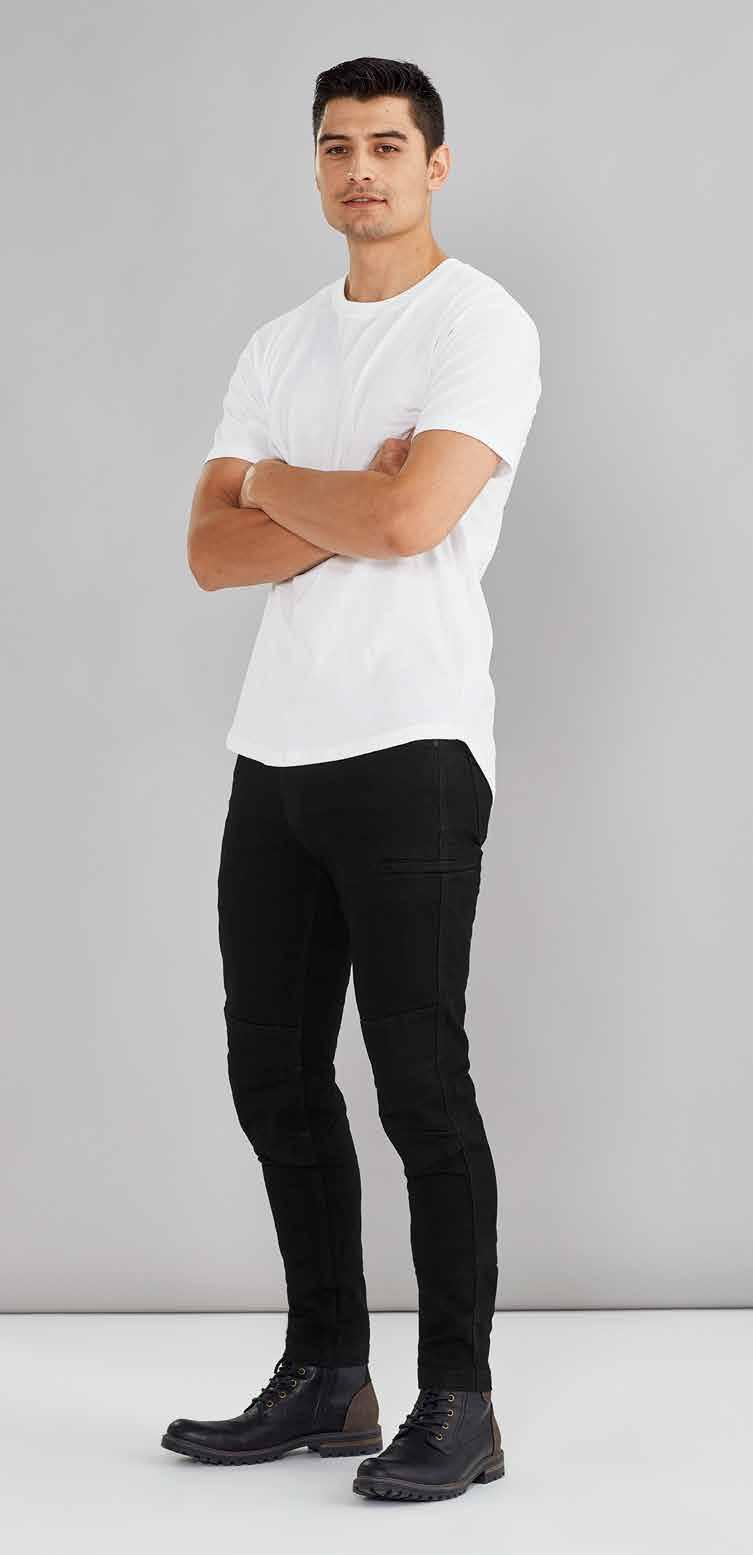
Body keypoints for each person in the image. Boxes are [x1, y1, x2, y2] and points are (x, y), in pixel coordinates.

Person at [161, 55, 541, 1503]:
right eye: (336, 147)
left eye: (387, 145)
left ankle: (460, 1402)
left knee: (419, 1084)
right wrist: (316, 494)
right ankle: (328, 1375)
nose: (360, 170)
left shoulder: (479, 324)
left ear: (435, 164)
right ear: (315, 167)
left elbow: (411, 518)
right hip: (276, 752)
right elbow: (210, 552)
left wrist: (282, 487)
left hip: (413, 745)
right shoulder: (279, 344)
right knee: (272, 1074)